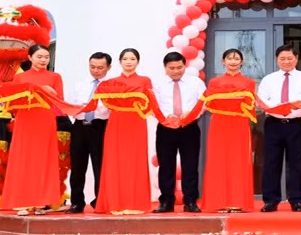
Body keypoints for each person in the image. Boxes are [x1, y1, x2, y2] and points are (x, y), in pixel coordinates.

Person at [95, 48, 162, 215]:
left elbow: (152, 102)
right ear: (120, 62)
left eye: (132, 58)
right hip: (116, 122)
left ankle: (135, 203)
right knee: (115, 160)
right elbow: (102, 105)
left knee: (135, 160)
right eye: (125, 59)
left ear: (138, 62)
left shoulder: (145, 80)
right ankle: (116, 202)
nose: (129, 61)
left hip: (136, 122)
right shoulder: (111, 83)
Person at [1, 44, 65, 215]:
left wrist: (49, 92)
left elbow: (59, 100)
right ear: (30, 58)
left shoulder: (55, 77)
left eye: (46, 57)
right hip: (25, 120)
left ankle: (40, 202)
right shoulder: (20, 78)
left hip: (45, 120)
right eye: (39, 57)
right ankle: (21, 202)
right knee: (23, 160)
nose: (43, 60)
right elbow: (12, 102)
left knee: (43, 160)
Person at [257, 44, 301, 213]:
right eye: (282, 59)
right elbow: (261, 100)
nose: (286, 62)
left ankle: (297, 200)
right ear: (277, 60)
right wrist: (278, 108)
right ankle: (270, 200)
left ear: (296, 59)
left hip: (297, 124)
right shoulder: (268, 79)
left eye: (290, 58)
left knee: (298, 163)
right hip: (274, 124)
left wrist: (293, 107)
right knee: (271, 163)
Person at [200, 49, 257, 213]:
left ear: (241, 62)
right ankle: (219, 201)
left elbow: (250, 104)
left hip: (239, 123)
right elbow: (207, 102)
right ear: (223, 61)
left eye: (236, 58)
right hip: (219, 123)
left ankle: (237, 201)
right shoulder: (214, 82)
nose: (233, 61)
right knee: (219, 161)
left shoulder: (249, 82)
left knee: (238, 160)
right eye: (229, 58)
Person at [153, 52, 207, 213]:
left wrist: (190, 114)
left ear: (185, 65)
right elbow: (153, 104)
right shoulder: (158, 84)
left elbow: (203, 103)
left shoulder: (196, 82)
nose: (176, 71)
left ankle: (190, 201)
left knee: (190, 165)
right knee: (166, 166)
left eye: (179, 67)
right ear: (165, 68)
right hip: (165, 128)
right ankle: (166, 202)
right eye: (172, 68)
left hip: (189, 127)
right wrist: (166, 115)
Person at [66, 52, 112, 214]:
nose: (96, 70)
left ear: (109, 67)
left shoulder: (112, 86)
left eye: (100, 67)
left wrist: (94, 106)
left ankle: (100, 201)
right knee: (77, 166)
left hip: (100, 126)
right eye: (92, 67)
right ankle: (77, 202)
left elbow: (110, 107)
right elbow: (70, 105)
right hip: (79, 126)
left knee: (100, 165)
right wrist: (81, 107)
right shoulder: (80, 84)